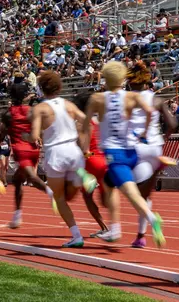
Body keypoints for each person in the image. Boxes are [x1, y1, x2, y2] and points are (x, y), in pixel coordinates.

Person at [82, 61, 166, 248]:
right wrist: (144, 133)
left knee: (131, 193)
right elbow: (150, 112)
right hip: (131, 151)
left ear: (105, 78)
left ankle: (152, 220)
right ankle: (115, 228)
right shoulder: (130, 97)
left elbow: (86, 126)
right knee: (109, 183)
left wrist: (86, 149)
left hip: (114, 153)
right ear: (122, 78)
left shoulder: (97, 98)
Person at [28, 70, 92, 248]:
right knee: (70, 194)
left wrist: (27, 137)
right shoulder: (68, 104)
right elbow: (87, 121)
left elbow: (34, 136)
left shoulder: (39, 109)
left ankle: (76, 235)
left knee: (59, 198)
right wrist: (84, 145)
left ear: (41, 88)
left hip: (55, 153)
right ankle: (82, 177)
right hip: (74, 151)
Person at [125, 62, 177, 248]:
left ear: (130, 82)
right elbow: (172, 123)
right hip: (156, 146)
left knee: (135, 193)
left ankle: (150, 221)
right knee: (145, 195)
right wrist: (164, 137)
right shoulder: (156, 99)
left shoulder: (127, 98)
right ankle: (140, 236)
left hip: (136, 147)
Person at [1, 82, 56, 229]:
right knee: (17, 180)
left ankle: (51, 193)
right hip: (33, 149)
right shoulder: (32, 111)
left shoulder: (8, 113)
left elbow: (1, 133)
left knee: (31, 176)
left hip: (20, 148)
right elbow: (41, 129)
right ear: (25, 95)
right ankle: (17, 216)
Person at [73, 92, 109, 237]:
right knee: (107, 197)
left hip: (89, 161)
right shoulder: (98, 120)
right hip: (103, 159)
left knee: (88, 196)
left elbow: (82, 146)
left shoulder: (81, 123)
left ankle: (104, 227)